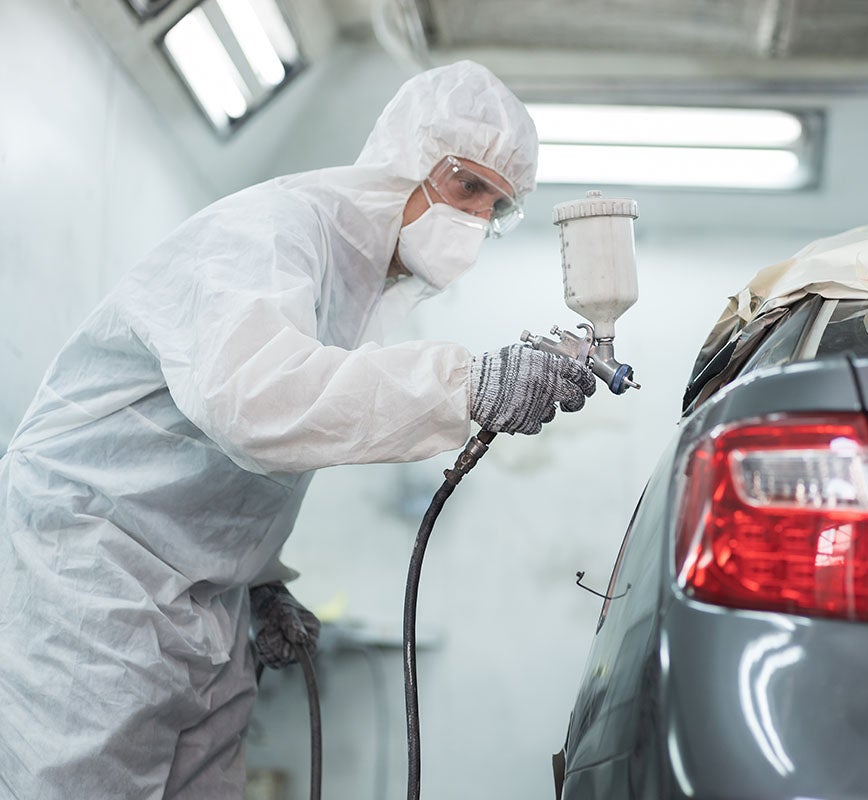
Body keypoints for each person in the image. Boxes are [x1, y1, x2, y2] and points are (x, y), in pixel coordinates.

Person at [0, 60, 594, 798]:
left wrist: (262, 582)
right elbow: (253, 403)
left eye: (496, 206)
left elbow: (242, 456)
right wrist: (468, 382)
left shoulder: (356, 283)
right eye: (465, 185)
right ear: (404, 158)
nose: (474, 218)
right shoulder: (271, 232)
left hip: (199, 595)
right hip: (92, 570)